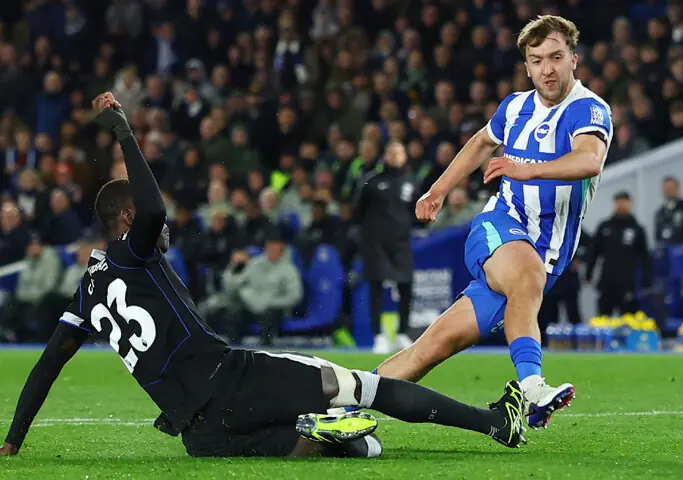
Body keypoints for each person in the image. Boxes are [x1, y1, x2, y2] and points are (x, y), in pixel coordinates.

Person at [0, 94, 525, 459]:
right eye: (150, 222)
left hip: (200, 435)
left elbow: (46, 367)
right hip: (233, 379)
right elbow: (155, 213)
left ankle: (326, 434)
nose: (166, 233)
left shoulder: (88, 291)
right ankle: (493, 423)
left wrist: (13, 440)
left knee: (359, 446)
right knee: (368, 389)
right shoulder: (132, 250)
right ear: (128, 219)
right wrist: (123, 131)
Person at [367, 16, 613, 429]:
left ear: (574, 59)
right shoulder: (515, 106)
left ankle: (343, 402)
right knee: (526, 273)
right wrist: (439, 190)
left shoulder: (588, 109)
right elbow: (482, 142)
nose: (547, 69)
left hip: (545, 256)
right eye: (537, 60)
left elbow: (589, 159)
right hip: (498, 227)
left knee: (430, 349)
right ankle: (534, 388)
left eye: (555, 57)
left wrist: (526, 169)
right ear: (527, 66)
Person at [354, 141, 417, 353]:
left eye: (399, 151)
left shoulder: (412, 182)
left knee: (406, 287)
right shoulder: (372, 181)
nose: (395, 155)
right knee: (376, 287)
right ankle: (379, 336)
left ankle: (401, 333)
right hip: (376, 244)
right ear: (385, 156)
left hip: (401, 243)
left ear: (405, 156)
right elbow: (358, 210)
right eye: (391, 151)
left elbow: (418, 213)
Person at [585, 192, 651, 316]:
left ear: (630, 204)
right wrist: (589, 273)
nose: (621, 205)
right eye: (618, 202)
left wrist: (645, 281)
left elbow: (645, 257)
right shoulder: (605, 227)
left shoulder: (637, 229)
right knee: (603, 317)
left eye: (624, 202)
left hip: (627, 282)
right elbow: (594, 252)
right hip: (607, 280)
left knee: (629, 318)